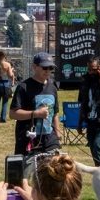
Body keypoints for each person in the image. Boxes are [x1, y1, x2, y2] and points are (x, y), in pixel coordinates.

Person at [11, 52, 62, 180]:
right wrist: (36, 113)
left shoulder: (52, 86)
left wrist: (57, 132)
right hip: (29, 139)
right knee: (24, 177)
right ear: (34, 67)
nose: (48, 71)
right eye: (44, 67)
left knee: (53, 175)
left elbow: (55, 112)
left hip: (49, 138)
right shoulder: (24, 87)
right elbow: (13, 113)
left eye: (50, 68)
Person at [0, 50, 15, 123]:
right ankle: (3, 118)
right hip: (5, 83)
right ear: (5, 56)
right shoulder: (7, 64)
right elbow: (10, 75)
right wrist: (12, 71)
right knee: (5, 102)